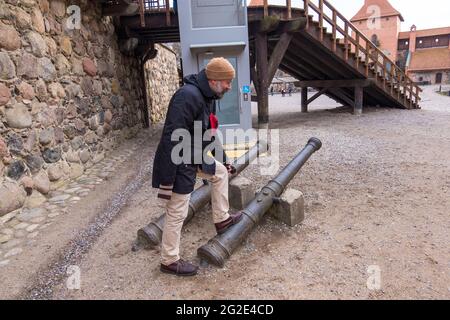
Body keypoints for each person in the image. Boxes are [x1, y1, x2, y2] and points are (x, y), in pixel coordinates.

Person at [152, 58, 243, 276]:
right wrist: (168, 178)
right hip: (180, 161)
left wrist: (224, 158)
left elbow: (208, 133)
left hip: (194, 156)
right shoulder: (187, 97)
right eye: (227, 82)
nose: (230, 86)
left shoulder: (208, 96)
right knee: (177, 211)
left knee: (220, 172)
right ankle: (169, 261)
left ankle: (222, 219)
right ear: (213, 80)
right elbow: (171, 137)